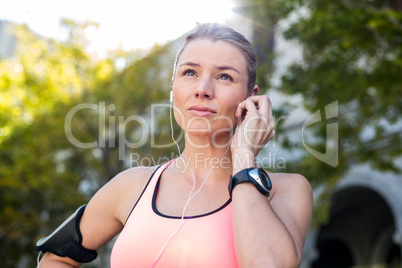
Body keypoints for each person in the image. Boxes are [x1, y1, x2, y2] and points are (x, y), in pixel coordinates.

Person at [36, 23, 313, 268]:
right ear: (173, 90)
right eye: (190, 72)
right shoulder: (130, 186)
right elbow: (55, 257)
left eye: (224, 76)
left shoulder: (285, 191)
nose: (202, 89)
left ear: (251, 99)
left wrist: (244, 158)